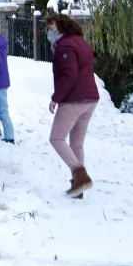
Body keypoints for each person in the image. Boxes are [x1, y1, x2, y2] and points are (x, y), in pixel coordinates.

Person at [46, 14, 100, 198]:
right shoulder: (81, 42)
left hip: (74, 99)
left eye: (52, 27)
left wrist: (56, 97)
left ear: (61, 26)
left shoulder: (66, 46)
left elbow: (69, 75)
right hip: (90, 98)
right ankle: (78, 187)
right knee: (77, 144)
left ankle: (80, 175)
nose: (50, 31)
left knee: (56, 138)